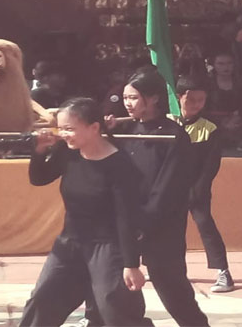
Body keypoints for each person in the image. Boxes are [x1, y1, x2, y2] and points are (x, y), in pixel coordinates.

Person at [19, 97, 152, 327]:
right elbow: (39, 178)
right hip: (70, 240)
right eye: (61, 129)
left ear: (94, 128)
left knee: (113, 305)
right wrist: (39, 151)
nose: (63, 134)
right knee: (43, 298)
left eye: (69, 129)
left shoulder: (120, 165)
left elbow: (126, 218)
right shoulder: (68, 152)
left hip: (107, 246)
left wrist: (131, 264)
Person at [104, 69, 209, 326]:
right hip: (129, 221)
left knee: (172, 288)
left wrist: (144, 224)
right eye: (125, 98)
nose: (127, 104)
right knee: (114, 283)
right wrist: (106, 132)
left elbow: (168, 188)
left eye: (133, 98)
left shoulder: (173, 135)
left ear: (153, 98)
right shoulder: (127, 130)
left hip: (162, 225)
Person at [172, 74, 234, 293]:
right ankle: (164, 267)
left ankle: (223, 273)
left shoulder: (210, 128)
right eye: (191, 100)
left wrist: (198, 189)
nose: (196, 105)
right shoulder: (167, 123)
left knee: (206, 225)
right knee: (166, 230)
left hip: (196, 189)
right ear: (178, 97)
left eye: (201, 100)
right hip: (167, 188)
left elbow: (211, 165)